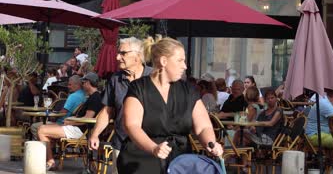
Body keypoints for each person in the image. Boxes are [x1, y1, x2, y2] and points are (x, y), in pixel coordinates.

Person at [117, 37, 223, 173]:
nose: (185, 66)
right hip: (141, 159)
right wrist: (153, 148)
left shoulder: (189, 91)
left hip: (179, 162)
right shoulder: (138, 88)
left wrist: (211, 143)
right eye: (180, 60)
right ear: (163, 61)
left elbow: (203, 127)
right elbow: (132, 126)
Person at [88, 37, 152, 174]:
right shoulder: (115, 79)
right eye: (118, 53)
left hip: (150, 145)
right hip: (121, 144)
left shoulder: (153, 77)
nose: (117, 57)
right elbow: (107, 111)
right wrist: (95, 134)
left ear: (137, 56)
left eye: (123, 53)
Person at [38, 72, 103, 170]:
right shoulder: (93, 97)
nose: (82, 84)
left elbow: (87, 119)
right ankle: (49, 159)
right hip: (78, 129)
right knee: (43, 129)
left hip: (81, 131)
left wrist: (70, 122)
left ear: (89, 83)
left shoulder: (95, 98)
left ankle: (50, 161)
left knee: (41, 130)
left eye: (84, 82)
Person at [30, 75, 87, 140]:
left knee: (34, 126)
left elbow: (63, 112)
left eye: (70, 85)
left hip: (63, 123)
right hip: (73, 125)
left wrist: (53, 115)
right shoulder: (84, 95)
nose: (68, 87)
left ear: (77, 85)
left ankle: (43, 146)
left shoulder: (73, 96)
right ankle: (49, 144)